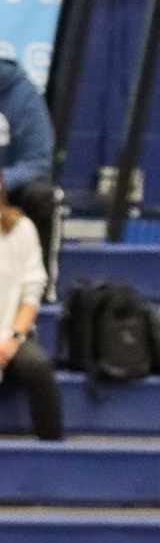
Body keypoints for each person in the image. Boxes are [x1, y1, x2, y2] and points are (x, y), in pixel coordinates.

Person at [0, 176, 62, 440]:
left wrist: (13, 338)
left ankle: (53, 450)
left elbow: (32, 293)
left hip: (13, 335)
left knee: (38, 366)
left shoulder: (22, 229)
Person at [0, 59, 57, 264]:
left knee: (40, 196)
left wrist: (3, 180)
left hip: (10, 189)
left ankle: (39, 277)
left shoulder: (23, 94)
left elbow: (38, 159)